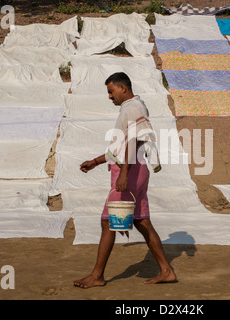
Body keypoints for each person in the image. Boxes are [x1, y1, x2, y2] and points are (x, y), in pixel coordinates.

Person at [73, 72, 176, 288]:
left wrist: (124, 173)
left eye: (111, 91)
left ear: (123, 88)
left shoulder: (132, 107)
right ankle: (166, 271)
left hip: (131, 173)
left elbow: (133, 141)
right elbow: (122, 145)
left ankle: (97, 276)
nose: (109, 96)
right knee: (141, 220)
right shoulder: (133, 107)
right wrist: (96, 161)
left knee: (107, 222)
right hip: (136, 171)